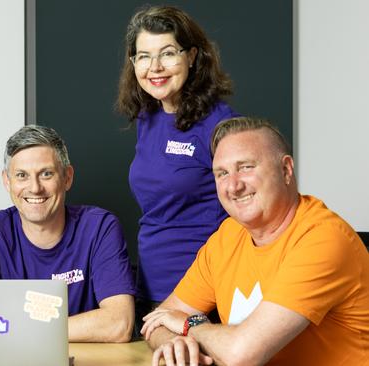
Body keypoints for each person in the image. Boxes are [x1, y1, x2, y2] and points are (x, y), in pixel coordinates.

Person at [141, 117, 369, 365]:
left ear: (286, 170)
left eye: (246, 167)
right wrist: (175, 343)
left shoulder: (323, 239)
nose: (233, 185)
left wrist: (191, 326)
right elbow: (157, 321)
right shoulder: (227, 236)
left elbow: (242, 355)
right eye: (222, 173)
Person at [115, 5, 238, 328]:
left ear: (193, 56)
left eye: (168, 53)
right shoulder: (149, 116)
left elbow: (243, 216)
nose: (154, 67)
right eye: (143, 56)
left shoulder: (219, 124)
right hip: (150, 289)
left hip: (201, 297)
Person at [0, 125, 135, 343]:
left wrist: (15, 330)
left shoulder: (99, 228)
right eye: (22, 175)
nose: (35, 188)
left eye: (46, 174)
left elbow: (119, 324)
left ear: (67, 177)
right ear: (7, 181)